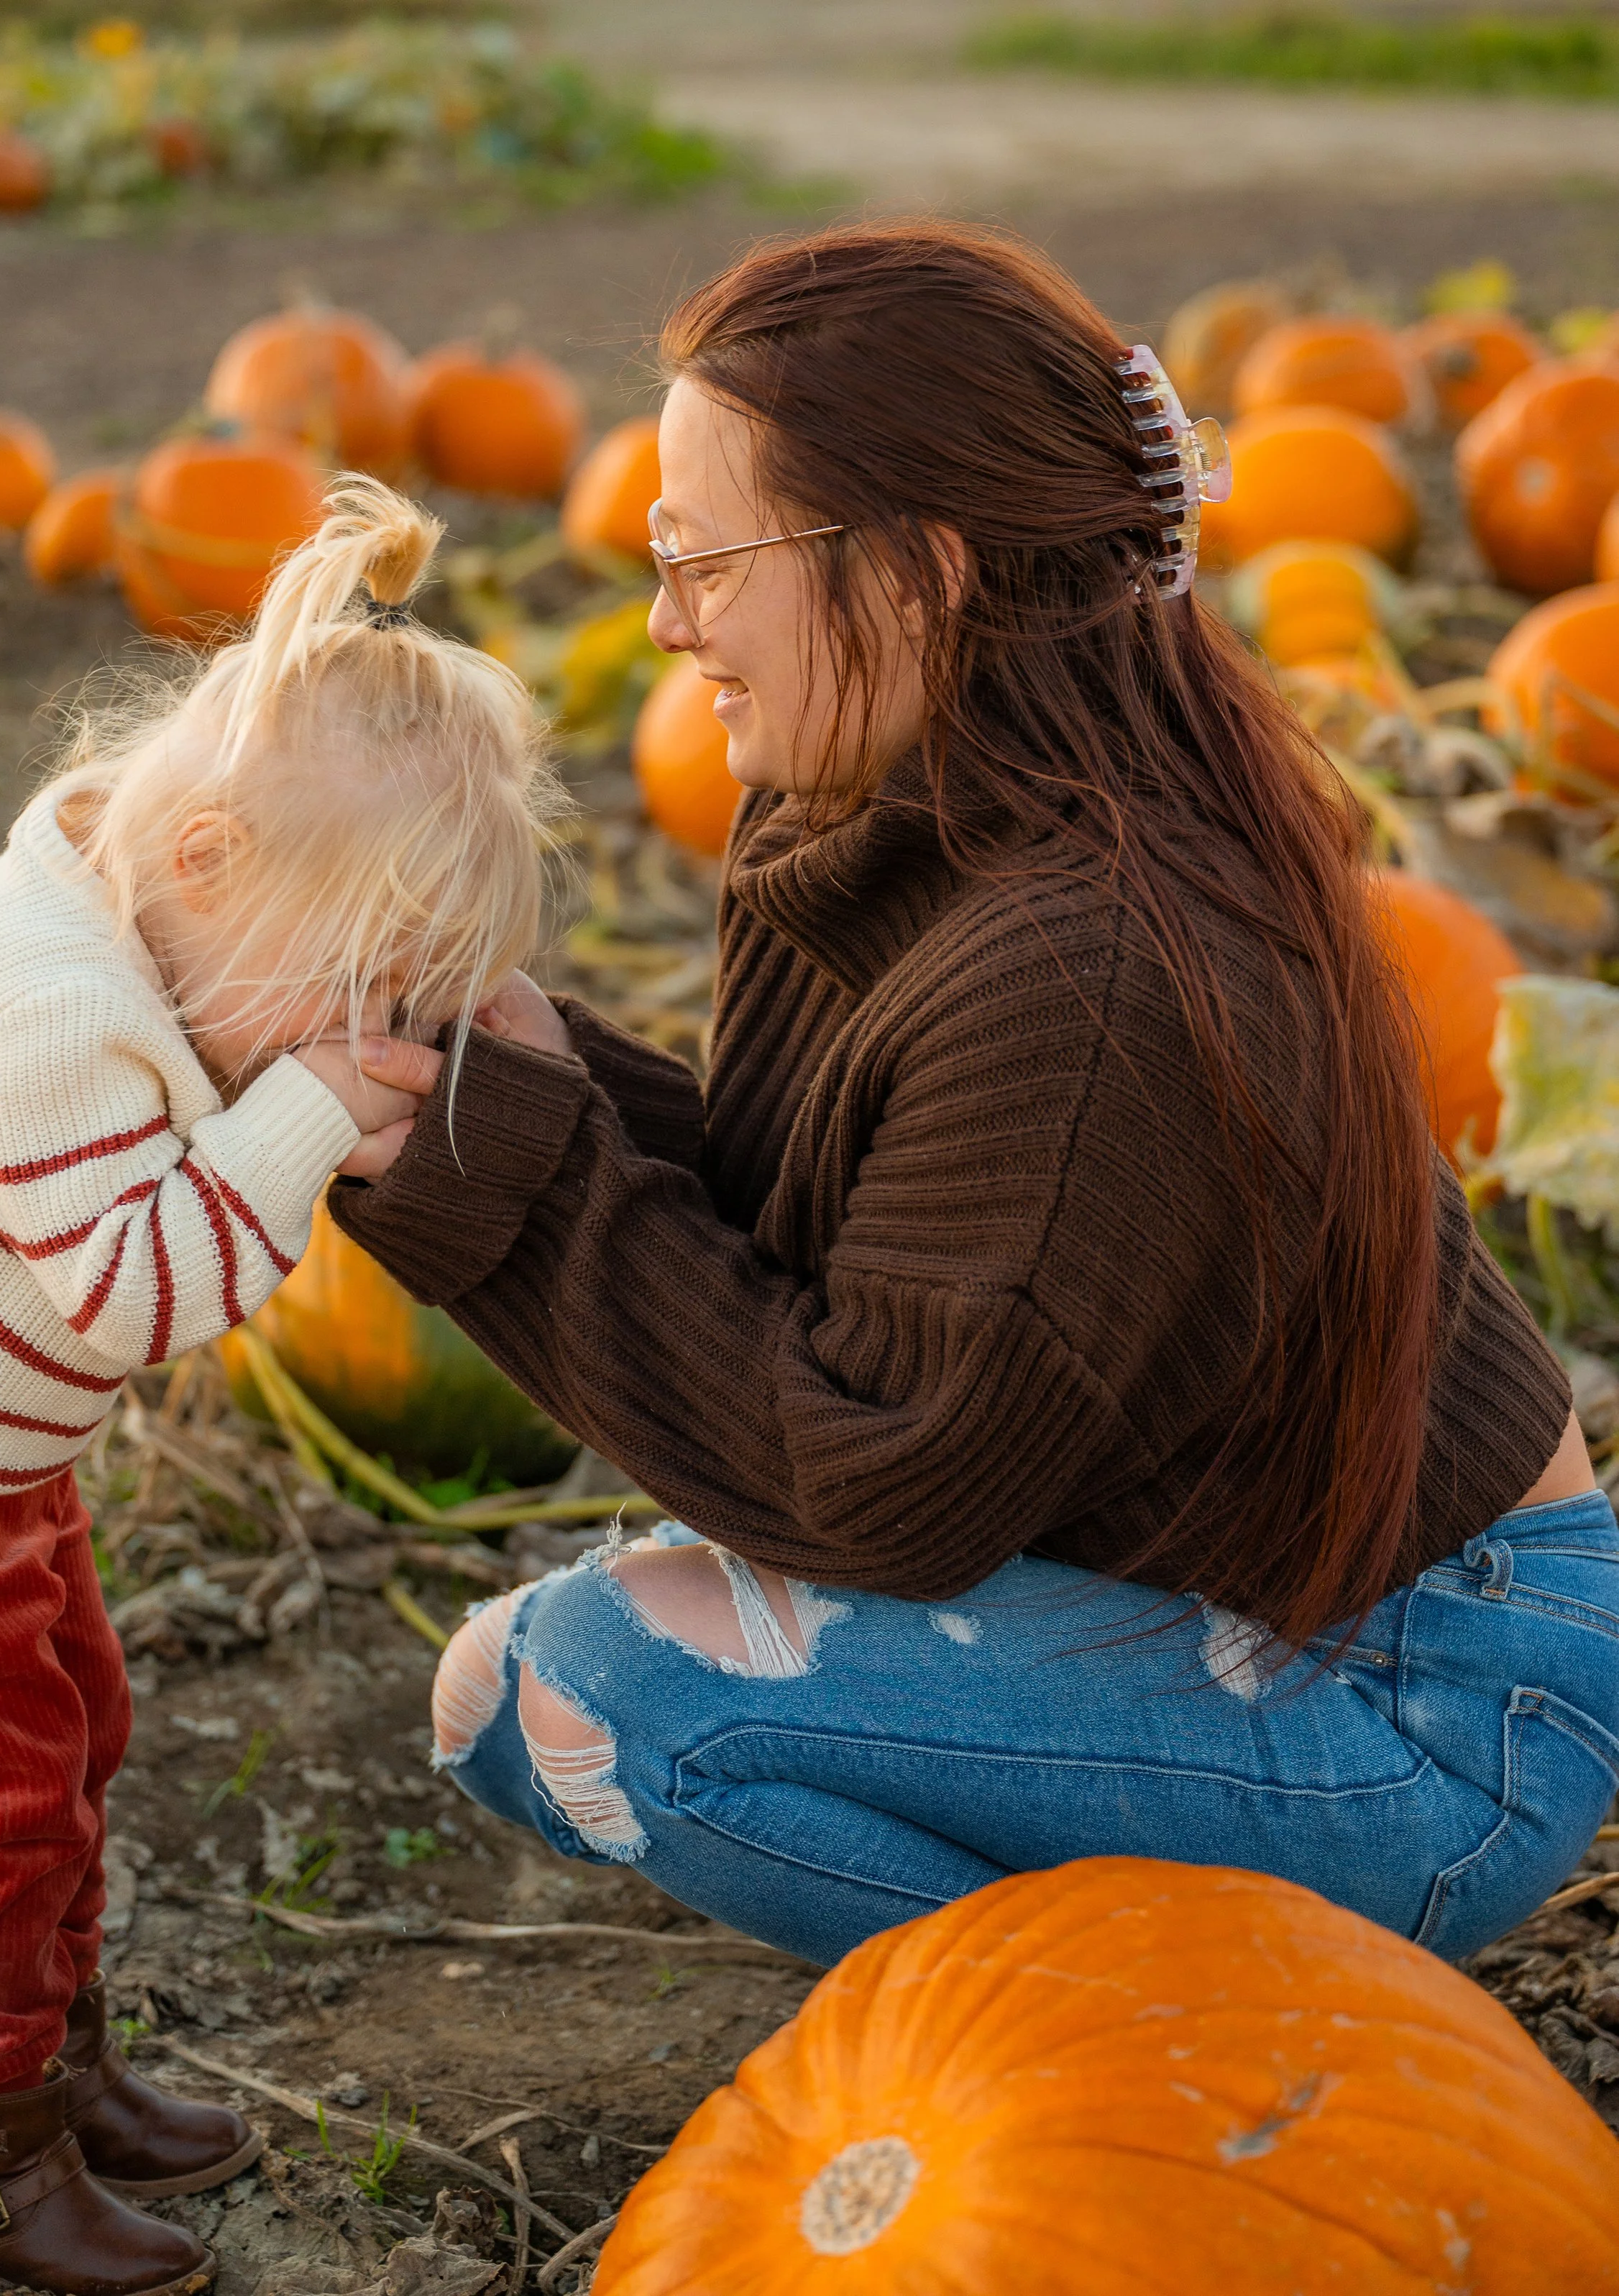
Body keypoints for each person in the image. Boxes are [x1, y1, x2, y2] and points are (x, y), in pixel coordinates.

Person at [336, 223, 1619, 1977]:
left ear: (919, 574)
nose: (662, 621)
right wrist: (482, 1062)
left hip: (1426, 1704)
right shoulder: (883, 813)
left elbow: (887, 1491)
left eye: (705, 561)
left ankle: (1185, 2052)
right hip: (1232, 1601)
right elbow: (840, 1255)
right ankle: (1134, 1988)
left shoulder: (1093, 978)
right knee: (519, 1699)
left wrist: (510, 1182)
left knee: (597, 1691)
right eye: (657, 556)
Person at [0, 479, 559, 2296]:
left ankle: (53, 2072)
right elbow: (141, 1296)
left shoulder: (135, 910)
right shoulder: (52, 1014)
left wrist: (297, 1066)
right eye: (351, 979)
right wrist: (308, 1110)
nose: (358, 1022)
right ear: (212, 854)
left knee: (76, 1729)